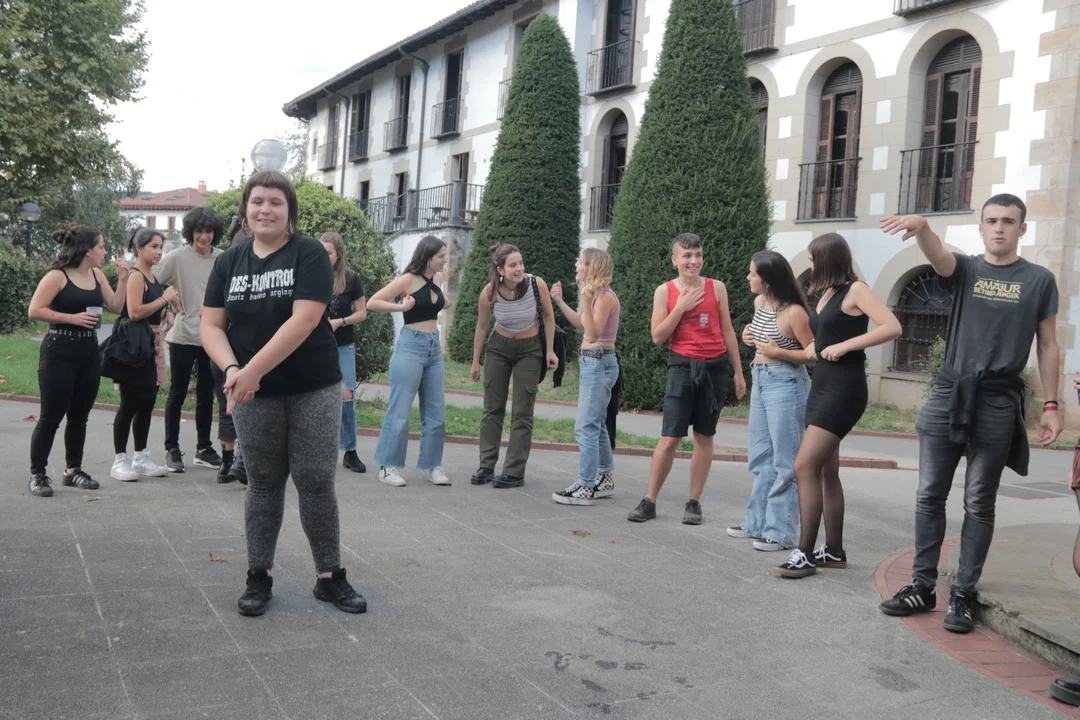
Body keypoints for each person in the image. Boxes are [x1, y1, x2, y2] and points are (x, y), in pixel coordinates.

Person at [878, 195, 1061, 633]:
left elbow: (1048, 344)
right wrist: (923, 228)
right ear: (981, 228)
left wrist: (1052, 405)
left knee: (979, 500)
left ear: (1022, 228)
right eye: (991, 221)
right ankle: (922, 587)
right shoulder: (967, 269)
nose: (999, 228)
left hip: (997, 400)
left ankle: (962, 592)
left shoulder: (1039, 280)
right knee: (929, 494)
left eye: (1008, 221)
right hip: (949, 393)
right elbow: (939, 258)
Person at [201, 170, 366, 617]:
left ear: (289, 210)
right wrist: (233, 369)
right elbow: (211, 325)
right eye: (257, 201)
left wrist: (249, 372)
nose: (265, 210)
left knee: (316, 482)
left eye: (276, 202)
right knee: (262, 484)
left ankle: (329, 577)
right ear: (245, 209)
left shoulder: (308, 252)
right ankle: (259, 576)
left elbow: (305, 320)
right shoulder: (229, 262)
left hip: (312, 387)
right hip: (252, 393)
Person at [773, 234, 901, 578]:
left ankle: (804, 554)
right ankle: (833, 551)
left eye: (813, 259)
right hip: (823, 385)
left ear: (828, 260)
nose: (810, 264)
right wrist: (815, 346)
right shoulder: (827, 293)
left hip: (844, 389)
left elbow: (892, 327)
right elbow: (828, 333)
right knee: (826, 472)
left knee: (804, 466)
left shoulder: (856, 290)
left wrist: (846, 346)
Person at [627, 233, 745, 524]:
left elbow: (727, 330)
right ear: (675, 260)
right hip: (681, 366)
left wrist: (739, 372)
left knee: (705, 435)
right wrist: (680, 307)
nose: (694, 261)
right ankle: (649, 500)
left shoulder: (717, 287)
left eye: (698, 255)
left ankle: (694, 502)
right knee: (670, 437)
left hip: (714, 367)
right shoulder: (664, 291)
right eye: (687, 256)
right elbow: (658, 336)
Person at [26, 224, 130, 497]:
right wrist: (72, 318)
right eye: (101, 247)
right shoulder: (57, 276)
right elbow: (34, 310)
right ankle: (37, 474)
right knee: (50, 417)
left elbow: (116, 306)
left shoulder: (97, 274)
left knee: (79, 417)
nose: (104, 252)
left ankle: (73, 470)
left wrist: (123, 279)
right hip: (58, 350)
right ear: (87, 251)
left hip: (88, 351)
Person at [728, 251, 814, 551]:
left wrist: (779, 353)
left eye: (752, 273)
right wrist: (747, 336)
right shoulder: (760, 303)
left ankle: (780, 532)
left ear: (768, 279)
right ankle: (755, 523)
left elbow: (812, 353)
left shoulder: (794, 313)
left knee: (785, 460)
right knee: (761, 456)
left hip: (786, 383)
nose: (748, 277)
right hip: (761, 378)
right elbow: (761, 339)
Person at [157, 207, 238, 481]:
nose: (204, 237)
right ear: (190, 232)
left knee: (207, 394)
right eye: (198, 231)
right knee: (177, 393)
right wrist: (168, 304)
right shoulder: (176, 258)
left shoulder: (223, 258)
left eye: (209, 231)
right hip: (183, 336)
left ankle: (204, 448)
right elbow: (153, 283)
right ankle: (172, 448)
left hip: (213, 336)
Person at [468, 244, 557, 488]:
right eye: (513, 265)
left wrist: (550, 350)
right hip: (498, 348)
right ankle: (486, 466)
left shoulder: (536, 284)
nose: (519, 269)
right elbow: (482, 327)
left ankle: (514, 472)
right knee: (492, 408)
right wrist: (476, 361)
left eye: (521, 263)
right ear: (500, 270)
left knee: (522, 410)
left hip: (530, 349)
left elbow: (549, 317)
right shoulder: (489, 293)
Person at [367, 236, 453, 487]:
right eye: (441, 256)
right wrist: (402, 308)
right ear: (428, 257)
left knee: (436, 413)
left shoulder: (438, 279)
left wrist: (445, 301)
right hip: (410, 346)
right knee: (400, 412)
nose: (445, 260)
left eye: (445, 255)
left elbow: (439, 302)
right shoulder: (408, 280)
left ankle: (433, 466)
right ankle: (387, 466)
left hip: (433, 349)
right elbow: (373, 302)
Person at [102, 228, 177, 482]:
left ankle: (141, 456)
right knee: (130, 402)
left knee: (147, 401)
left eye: (161, 247)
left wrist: (167, 311)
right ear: (139, 248)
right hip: (135, 344)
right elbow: (134, 312)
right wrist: (164, 301)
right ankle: (120, 460)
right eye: (154, 246)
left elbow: (152, 307)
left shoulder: (152, 276)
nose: (159, 252)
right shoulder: (136, 276)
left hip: (152, 341)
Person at [549, 249, 621, 505]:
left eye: (580, 262)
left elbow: (592, 333)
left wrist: (585, 299)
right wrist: (559, 301)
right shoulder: (595, 295)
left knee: (585, 427)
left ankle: (586, 486)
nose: (576, 265)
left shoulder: (604, 297)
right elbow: (581, 322)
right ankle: (604, 478)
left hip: (598, 362)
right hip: (594, 361)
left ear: (592, 267)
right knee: (596, 424)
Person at [320, 232, 368, 474]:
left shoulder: (350, 278)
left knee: (347, 396)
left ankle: (350, 451)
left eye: (328, 252)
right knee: (314, 399)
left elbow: (362, 312)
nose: (324, 255)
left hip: (342, 345)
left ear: (338, 255)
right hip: (315, 346)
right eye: (321, 251)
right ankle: (317, 451)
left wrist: (341, 322)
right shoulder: (311, 274)